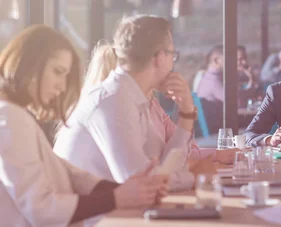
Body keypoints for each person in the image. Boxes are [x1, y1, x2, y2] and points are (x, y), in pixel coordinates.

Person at [0, 25, 167, 227]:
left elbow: (72, 175)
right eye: (58, 72)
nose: (61, 87)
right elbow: (41, 209)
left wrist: (131, 191)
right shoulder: (9, 118)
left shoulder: (15, 115)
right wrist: (118, 197)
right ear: (29, 64)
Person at [53, 15, 210, 192]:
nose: (172, 65)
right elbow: (139, 181)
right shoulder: (112, 101)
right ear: (160, 57)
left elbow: (166, 168)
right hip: (93, 217)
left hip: (115, 212)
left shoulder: (134, 99)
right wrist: (197, 177)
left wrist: (186, 112)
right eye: (173, 56)